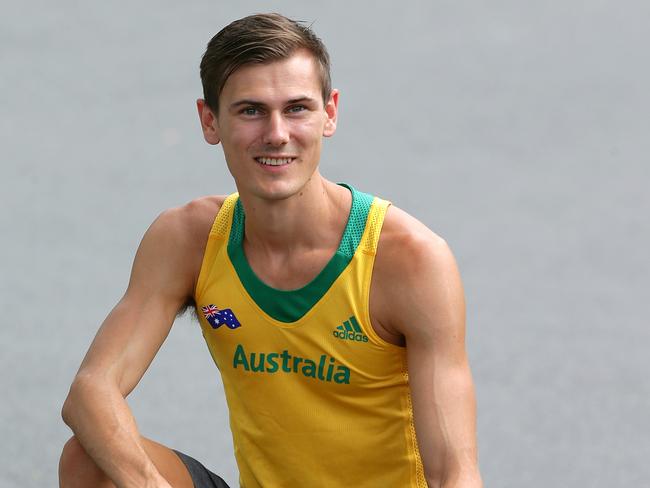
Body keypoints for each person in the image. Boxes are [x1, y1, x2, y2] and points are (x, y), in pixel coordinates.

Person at [59, 13, 482, 488]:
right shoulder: (190, 240)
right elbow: (90, 392)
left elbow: (455, 474)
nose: (277, 133)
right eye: (251, 110)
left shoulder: (408, 259)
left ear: (331, 113)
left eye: (297, 108)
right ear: (209, 120)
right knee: (90, 461)